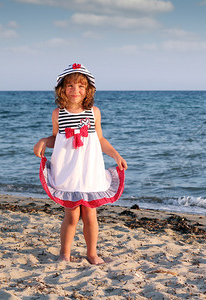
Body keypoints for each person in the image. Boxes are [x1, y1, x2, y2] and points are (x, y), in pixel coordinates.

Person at [34, 63, 127, 265]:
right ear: (62, 90)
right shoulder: (59, 114)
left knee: (90, 214)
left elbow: (101, 140)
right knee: (72, 214)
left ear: (88, 91)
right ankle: (64, 253)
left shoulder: (94, 112)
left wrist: (116, 155)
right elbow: (55, 138)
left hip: (89, 170)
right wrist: (43, 141)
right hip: (69, 170)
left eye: (81, 87)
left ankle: (92, 253)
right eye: (70, 86)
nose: (75, 90)